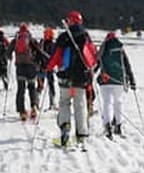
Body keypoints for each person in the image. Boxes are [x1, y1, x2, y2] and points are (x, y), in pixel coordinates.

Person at [45, 10, 98, 147]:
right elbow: (93, 55)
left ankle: (65, 128)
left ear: (70, 21)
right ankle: (81, 135)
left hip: (65, 77)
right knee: (80, 105)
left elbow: (56, 56)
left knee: (64, 102)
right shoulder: (86, 36)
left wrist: (49, 67)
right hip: (81, 78)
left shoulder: (64, 36)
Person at [97, 31, 136, 138]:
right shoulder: (120, 49)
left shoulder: (103, 49)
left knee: (107, 103)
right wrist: (132, 81)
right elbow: (127, 66)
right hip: (119, 80)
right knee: (118, 102)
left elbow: (97, 63)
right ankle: (118, 126)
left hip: (105, 81)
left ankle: (108, 126)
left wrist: (91, 73)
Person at [10, 23, 41, 120]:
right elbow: (39, 51)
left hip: (20, 68)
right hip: (31, 67)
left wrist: (11, 57)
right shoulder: (31, 40)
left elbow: (8, 53)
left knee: (21, 89)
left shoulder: (15, 40)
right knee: (32, 88)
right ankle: (34, 107)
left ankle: (22, 111)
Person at [39, 26, 57, 110]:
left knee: (40, 86)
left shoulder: (41, 44)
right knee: (51, 85)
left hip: (41, 67)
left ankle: (36, 103)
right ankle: (52, 103)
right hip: (49, 68)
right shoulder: (52, 45)